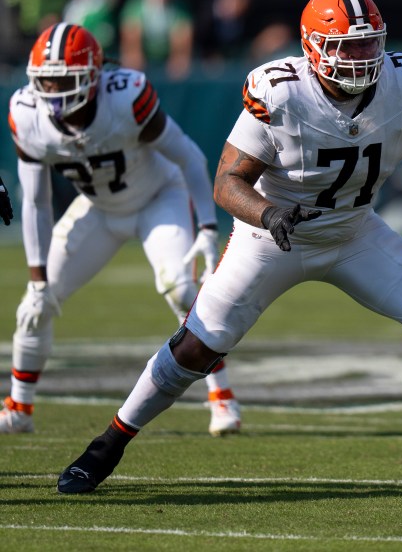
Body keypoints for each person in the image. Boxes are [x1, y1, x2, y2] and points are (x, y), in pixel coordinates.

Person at [56, 0, 402, 496]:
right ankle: (104, 449)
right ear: (313, 46)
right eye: (346, 46)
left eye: (368, 44)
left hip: (353, 229)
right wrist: (269, 214)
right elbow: (227, 181)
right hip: (273, 237)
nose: (360, 57)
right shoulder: (281, 90)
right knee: (196, 348)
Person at [3, 22, 241, 437]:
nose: (56, 92)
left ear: (94, 77)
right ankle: (18, 407)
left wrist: (206, 226)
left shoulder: (126, 96)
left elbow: (187, 156)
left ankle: (222, 396)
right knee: (36, 304)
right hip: (98, 207)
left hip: (158, 197)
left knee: (183, 291)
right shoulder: (27, 114)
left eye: (66, 80)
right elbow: (37, 201)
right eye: (48, 81)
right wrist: (37, 276)